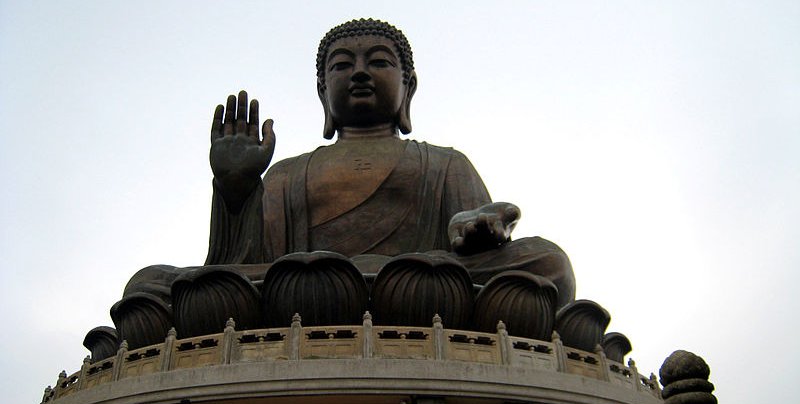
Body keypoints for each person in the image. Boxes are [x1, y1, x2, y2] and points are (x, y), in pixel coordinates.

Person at [124, 19, 575, 314]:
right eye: (343, 66)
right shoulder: (286, 173)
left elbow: (477, 237)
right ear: (324, 93)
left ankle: (366, 282)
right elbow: (240, 264)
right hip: (306, 287)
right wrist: (235, 190)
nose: (359, 72)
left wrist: (481, 224)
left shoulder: (443, 163)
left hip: (418, 284)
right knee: (149, 284)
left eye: (378, 62)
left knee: (549, 262)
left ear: (408, 88)